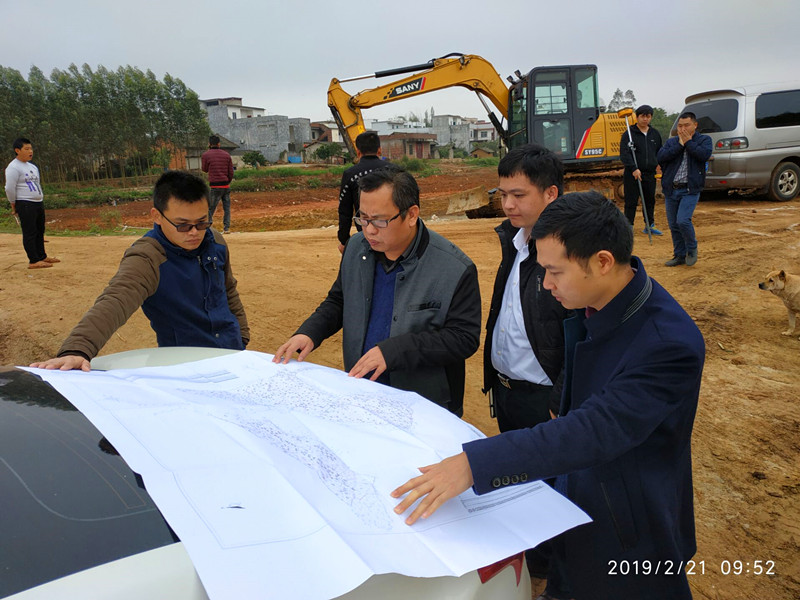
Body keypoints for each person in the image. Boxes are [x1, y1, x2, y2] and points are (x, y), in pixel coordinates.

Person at [392, 191, 705, 600]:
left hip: (629, 527)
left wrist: (474, 465)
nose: (546, 283)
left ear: (603, 262)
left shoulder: (668, 344)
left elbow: (592, 431)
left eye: (555, 272)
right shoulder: (598, 301)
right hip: (577, 505)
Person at [274, 165, 481, 416]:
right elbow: (339, 300)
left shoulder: (455, 267)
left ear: (411, 215)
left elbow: (463, 338)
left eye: (380, 221)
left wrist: (394, 352)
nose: (369, 230)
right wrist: (310, 332)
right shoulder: (356, 248)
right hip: (363, 396)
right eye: (363, 218)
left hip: (425, 408)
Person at [30, 171, 249, 371]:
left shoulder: (215, 241)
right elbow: (115, 300)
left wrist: (242, 336)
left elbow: (228, 289)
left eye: (202, 222)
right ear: (157, 216)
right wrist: (77, 349)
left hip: (233, 354)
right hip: (184, 365)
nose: (194, 233)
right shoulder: (148, 257)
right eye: (183, 225)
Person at [484, 144, 571, 581]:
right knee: (519, 482)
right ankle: (531, 560)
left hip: (546, 401)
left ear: (550, 193)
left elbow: (581, 335)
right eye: (503, 194)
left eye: (518, 195)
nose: (508, 204)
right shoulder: (516, 241)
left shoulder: (567, 253)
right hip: (509, 392)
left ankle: (553, 572)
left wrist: (560, 398)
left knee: (552, 488)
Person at [657, 111, 713, 267]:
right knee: (673, 225)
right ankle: (679, 255)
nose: (682, 129)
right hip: (671, 189)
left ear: (695, 125)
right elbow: (661, 157)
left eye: (686, 125)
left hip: (690, 189)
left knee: (682, 220)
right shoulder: (672, 142)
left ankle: (692, 249)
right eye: (680, 126)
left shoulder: (704, 140)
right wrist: (680, 144)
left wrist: (688, 142)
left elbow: (703, 155)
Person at [4, 138, 59, 269]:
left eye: (31, 148)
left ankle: (42, 256)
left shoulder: (32, 167)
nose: (30, 151)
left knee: (40, 230)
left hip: (37, 202)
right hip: (25, 203)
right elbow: (9, 188)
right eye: (27, 149)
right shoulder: (13, 167)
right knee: (30, 232)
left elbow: (37, 184)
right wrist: (13, 203)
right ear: (17, 150)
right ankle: (33, 260)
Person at [336, 130, 387, 253]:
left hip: (367, 236)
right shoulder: (395, 171)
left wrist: (344, 241)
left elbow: (345, 211)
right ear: (379, 150)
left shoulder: (350, 174)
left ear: (358, 152)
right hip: (392, 234)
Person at [619, 104, 663, 234]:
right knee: (631, 201)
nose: (645, 119)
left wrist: (659, 165)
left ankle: (650, 225)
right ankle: (628, 227)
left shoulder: (655, 134)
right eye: (642, 116)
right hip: (633, 173)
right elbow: (624, 154)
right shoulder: (629, 134)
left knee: (649, 200)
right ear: (637, 117)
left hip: (649, 173)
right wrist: (633, 168)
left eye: (648, 116)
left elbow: (659, 152)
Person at [201, 135, 234, 234]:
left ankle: (207, 227)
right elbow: (231, 172)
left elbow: (204, 169)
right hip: (226, 185)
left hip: (215, 186)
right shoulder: (226, 155)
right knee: (226, 208)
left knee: (211, 208)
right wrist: (227, 181)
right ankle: (226, 228)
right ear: (219, 144)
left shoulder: (206, 155)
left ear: (209, 144)